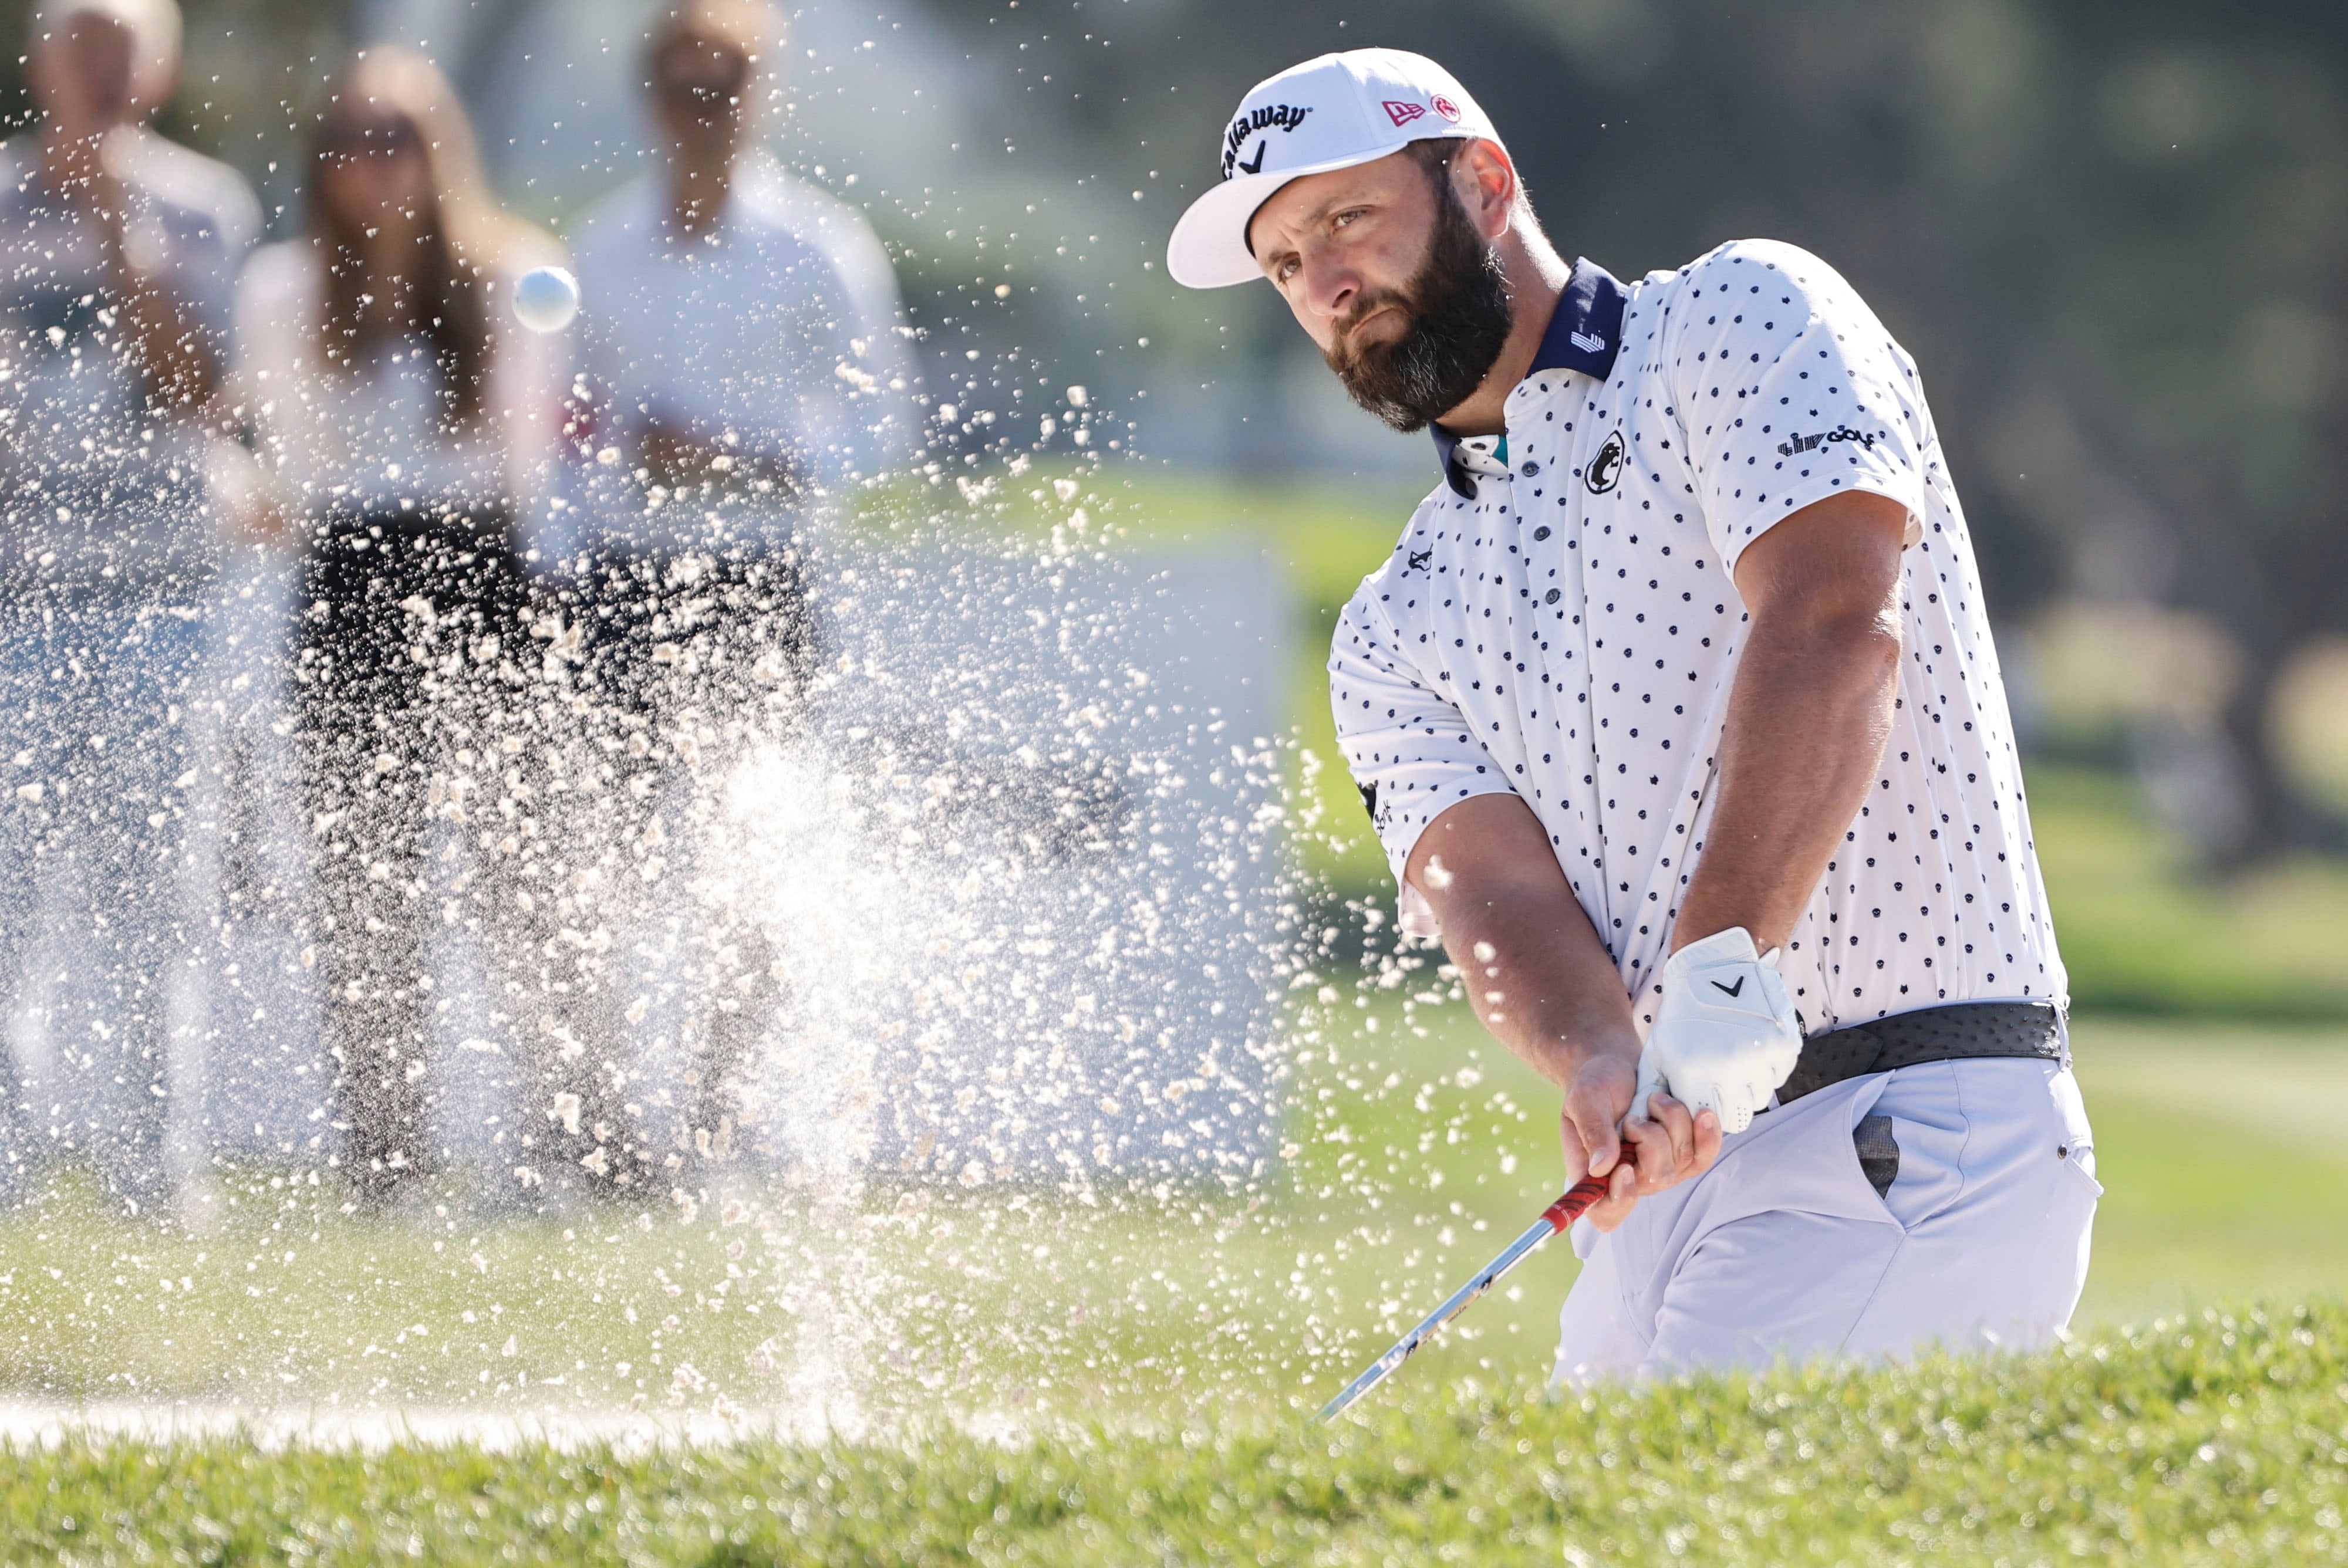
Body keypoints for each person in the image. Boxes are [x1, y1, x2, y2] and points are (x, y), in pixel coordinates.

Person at [1168, 50, 2094, 1379]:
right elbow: (1485, 890)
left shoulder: (1739, 318)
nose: (1323, 281)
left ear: (1480, 186)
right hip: (1669, 1181)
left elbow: (1833, 625)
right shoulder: (1391, 621)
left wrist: (1720, 970)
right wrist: (1594, 1049)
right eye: (1283, 264)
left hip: (1909, 1123)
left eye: (1348, 219)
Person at [537, 0, 916, 1179]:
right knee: (595, 861)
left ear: (760, 99)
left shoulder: (818, 245)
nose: (701, 115)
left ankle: (716, 1113)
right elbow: (564, 428)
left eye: (724, 90)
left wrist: (754, 458)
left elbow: (884, 424)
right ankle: (602, 1129)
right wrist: (590, 511)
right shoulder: (596, 251)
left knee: (744, 866)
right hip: (624, 578)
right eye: (681, 90)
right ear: (649, 100)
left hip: (758, 579)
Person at [212, 48, 573, 1207]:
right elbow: (264, 445)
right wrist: (255, 491)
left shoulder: (513, 275)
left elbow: (536, 462)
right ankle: (386, 1156)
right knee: (363, 887)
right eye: (351, 142)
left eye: (396, 138)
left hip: (480, 572)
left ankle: (547, 1142)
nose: (373, 165)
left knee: (522, 882)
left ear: (440, 150)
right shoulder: (284, 288)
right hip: (346, 578)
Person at [0, 0, 258, 1212]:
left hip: (161, 601)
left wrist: (116, 227)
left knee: (153, 905)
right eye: (74, 44)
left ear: (157, 67)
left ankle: (155, 1173)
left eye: (118, 46)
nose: (94, 71)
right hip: (16, 604)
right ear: (39, 62)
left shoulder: (206, 206)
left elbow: (201, 393)